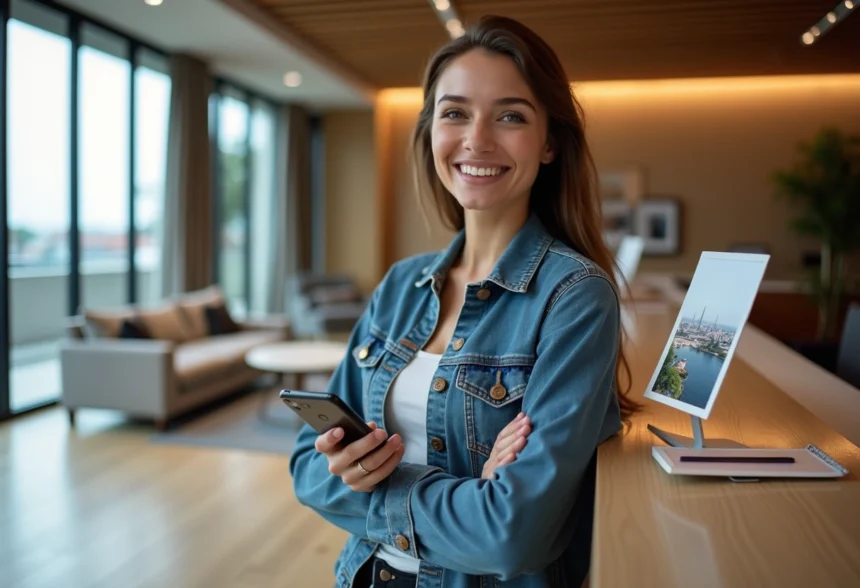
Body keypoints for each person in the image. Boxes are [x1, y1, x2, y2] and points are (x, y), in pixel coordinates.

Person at [288, 14, 640, 588]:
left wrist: (376, 485)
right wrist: (472, 491)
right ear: (431, 131)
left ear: (549, 141)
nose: (477, 139)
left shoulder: (574, 298)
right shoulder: (401, 286)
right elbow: (307, 466)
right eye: (455, 113)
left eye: (510, 116)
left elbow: (514, 534)